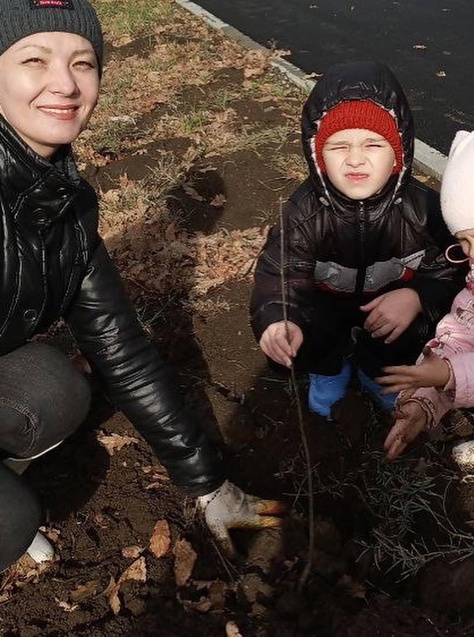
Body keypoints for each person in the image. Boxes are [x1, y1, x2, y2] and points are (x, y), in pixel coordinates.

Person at [0, 0, 284, 573]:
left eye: (83, 63)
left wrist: (209, 486)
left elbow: (122, 351)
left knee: (56, 389)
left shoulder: (64, 206)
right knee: (11, 517)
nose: (64, 83)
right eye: (35, 59)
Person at [250, 61, 464, 420]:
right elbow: (280, 273)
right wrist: (278, 318)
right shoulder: (304, 213)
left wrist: (418, 296)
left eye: (372, 144)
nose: (354, 159)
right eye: (337, 147)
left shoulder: (424, 210)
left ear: (398, 154)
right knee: (313, 326)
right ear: (317, 156)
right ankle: (328, 370)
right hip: (327, 301)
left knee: (401, 332)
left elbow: (453, 267)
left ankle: (378, 373)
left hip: (390, 301)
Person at [379, 116, 474, 470]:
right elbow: (460, 335)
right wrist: (423, 400)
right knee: (465, 377)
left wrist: (450, 373)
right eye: (464, 241)